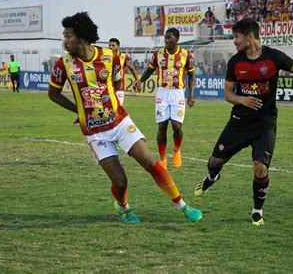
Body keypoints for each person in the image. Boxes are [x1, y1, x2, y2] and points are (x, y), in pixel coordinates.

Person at [48, 12, 202, 224]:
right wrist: (79, 110)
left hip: (119, 122)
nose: (65, 42)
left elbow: (118, 83)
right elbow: (53, 94)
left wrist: (112, 102)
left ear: (82, 37)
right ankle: (123, 208)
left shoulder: (109, 57)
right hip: (95, 132)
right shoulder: (63, 65)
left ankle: (183, 206)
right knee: (120, 182)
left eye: (68, 36)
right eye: (64, 37)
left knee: (150, 161)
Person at [193, 18, 293, 226]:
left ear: (250, 37)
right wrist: (243, 99)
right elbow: (228, 95)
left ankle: (257, 210)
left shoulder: (273, 57)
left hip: (265, 123)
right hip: (239, 122)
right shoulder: (235, 62)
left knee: (260, 168)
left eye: (236, 37)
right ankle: (212, 177)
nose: (234, 41)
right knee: (215, 162)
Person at [133, 28, 195, 169]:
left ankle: (176, 151)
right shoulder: (158, 54)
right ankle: (163, 159)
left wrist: (191, 95)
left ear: (177, 39)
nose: (166, 40)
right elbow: (149, 70)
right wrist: (140, 81)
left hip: (178, 92)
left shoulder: (186, 55)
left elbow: (191, 76)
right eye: (165, 38)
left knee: (177, 126)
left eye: (170, 38)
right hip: (162, 92)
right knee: (162, 126)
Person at [108, 38, 139, 105]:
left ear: (118, 47)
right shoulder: (105, 57)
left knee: (118, 109)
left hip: (119, 88)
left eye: (113, 45)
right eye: (109, 45)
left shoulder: (124, 57)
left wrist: (137, 80)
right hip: (108, 88)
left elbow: (132, 70)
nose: (110, 47)